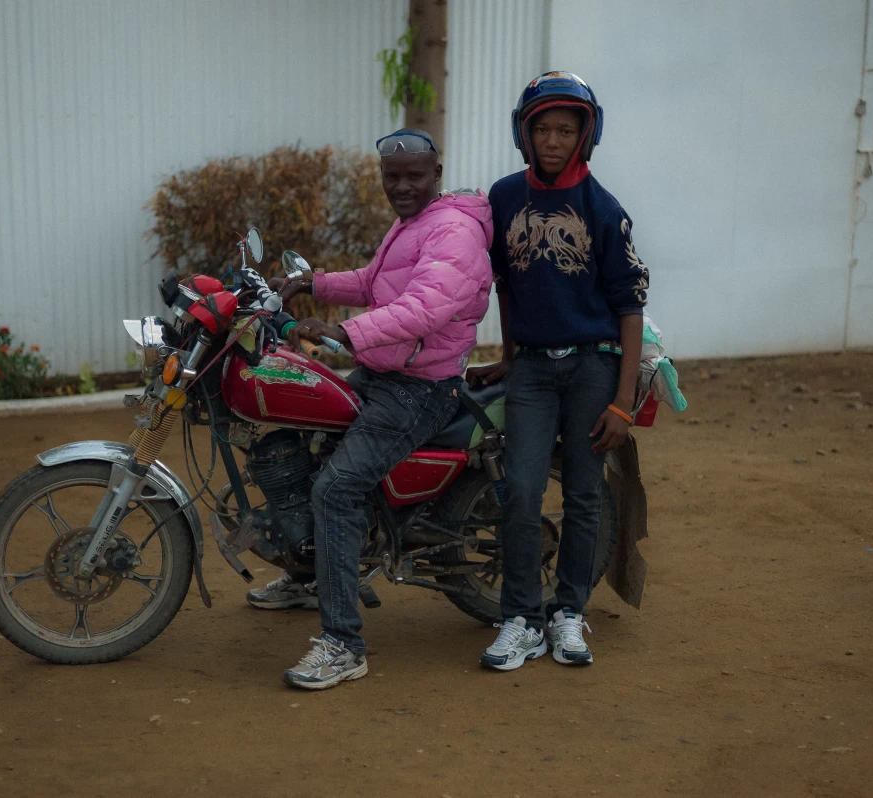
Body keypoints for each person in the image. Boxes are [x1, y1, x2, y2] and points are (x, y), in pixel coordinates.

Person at [278, 127, 493, 690]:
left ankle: (344, 644)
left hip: (418, 388)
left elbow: (422, 308)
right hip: (385, 370)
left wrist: (342, 334)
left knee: (337, 488)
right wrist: (309, 283)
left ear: (436, 174)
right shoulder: (412, 223)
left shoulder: (454, 231)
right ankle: (312, 574)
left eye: (413, 175)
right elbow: (376, 284)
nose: (401, 186)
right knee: (308, 439)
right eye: (391, 177)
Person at [467, 72, 650, 671]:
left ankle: (569, 612)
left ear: (585, 135)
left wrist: (623, 402)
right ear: (524, 133)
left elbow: (628, 308)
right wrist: (512, 355)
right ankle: (519, 618)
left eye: (565, 130)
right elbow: (505, 283)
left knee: (582, 493)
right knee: (519, 489)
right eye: (541, 129)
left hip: (595, 368)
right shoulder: (503, 197)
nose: (552, 140)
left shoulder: (604, 210)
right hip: (535, 374)